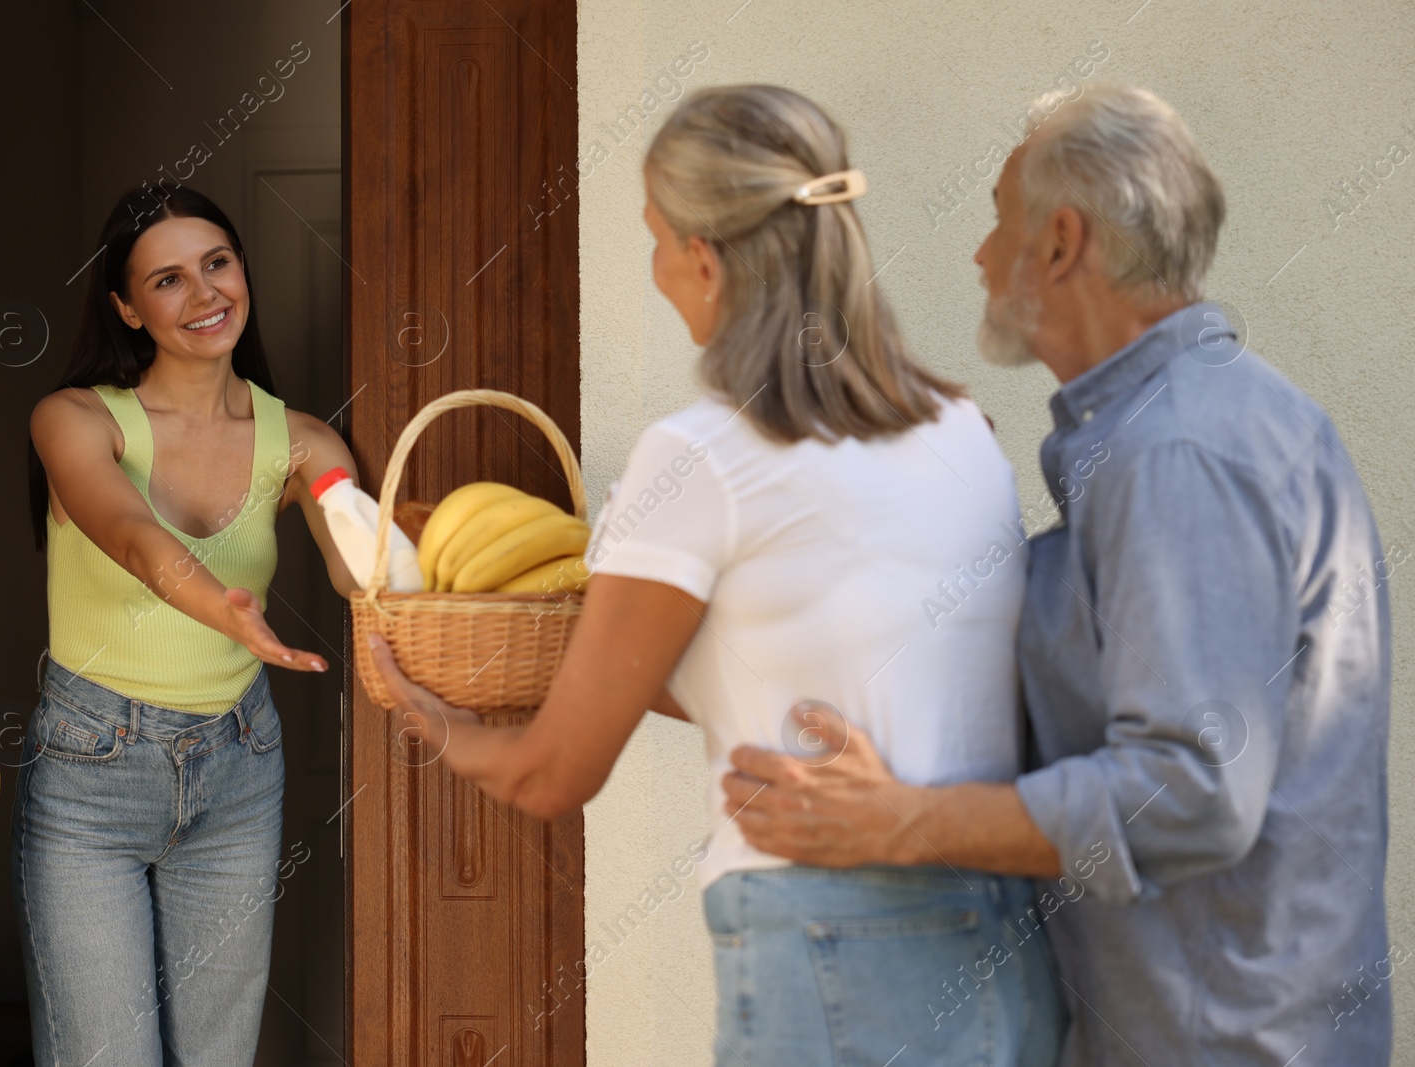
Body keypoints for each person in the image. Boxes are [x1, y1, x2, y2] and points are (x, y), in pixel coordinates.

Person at [369, 84, 1063, 1067]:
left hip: (831, 948)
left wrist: (435, 721)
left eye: (654, 239)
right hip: (1001, 941)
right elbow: (804, 672)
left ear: (702, 258)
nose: (655, 269)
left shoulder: (700, 455)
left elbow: (555, 771)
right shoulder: (961, 433)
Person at [722, 82, 1394, 1066]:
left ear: (1059, 242)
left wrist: (899, 820)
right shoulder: (1179, 429)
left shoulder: (1179, 453)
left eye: (999, 222)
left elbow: (1188, 790)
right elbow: (1046, 669)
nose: (982, 256)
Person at [14, 185, 359, 1065]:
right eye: (167, 279)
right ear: (126, 307)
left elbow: (361, 566)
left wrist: (413, 558)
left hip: (239, 767)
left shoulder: (306, 444)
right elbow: (131, 538)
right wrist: (227, 609)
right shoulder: (77, 420)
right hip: (93, 771)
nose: (205, 295)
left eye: (217, 264)